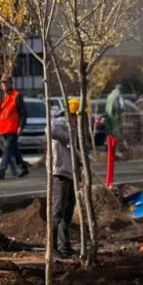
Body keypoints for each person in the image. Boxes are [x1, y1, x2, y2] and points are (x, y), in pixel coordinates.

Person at [48, 99, 79, 259]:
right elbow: (50, 129)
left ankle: (64, 246)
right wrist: (69, 138)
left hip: (70, 173)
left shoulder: (75, 127)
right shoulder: (60, 123)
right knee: (57, 211)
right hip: (60, 172)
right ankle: (52, 248)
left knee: (67, 211)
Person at [0, 75, 29, 180]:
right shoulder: (0, 96)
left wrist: (21, 126)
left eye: (6, 82)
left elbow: (23, 113)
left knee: (8, 149)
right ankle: (23, 168)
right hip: (2, 128)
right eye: (2, 82)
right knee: (13, 150)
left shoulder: (16, 95)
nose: (4, 84)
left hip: (13, 128)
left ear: (10, 84)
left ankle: (1, 171)